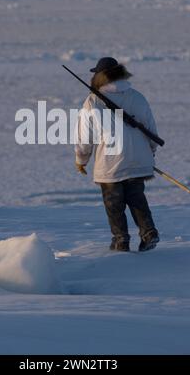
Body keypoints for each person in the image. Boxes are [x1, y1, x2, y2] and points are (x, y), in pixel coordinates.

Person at [75, 57, 160, 252]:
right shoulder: (137, 96)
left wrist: (81, 159)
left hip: (111, 162)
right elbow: (151, 129)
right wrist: (150, 152)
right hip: (139, 159)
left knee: (114, 203)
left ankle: (120, 240)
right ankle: (149, 232)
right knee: (137, 198)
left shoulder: (93, 101)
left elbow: (84, 136)